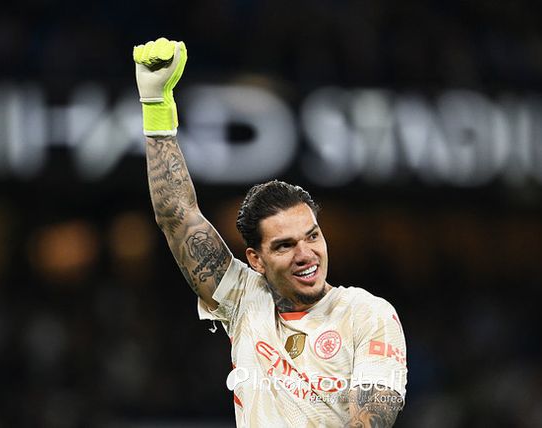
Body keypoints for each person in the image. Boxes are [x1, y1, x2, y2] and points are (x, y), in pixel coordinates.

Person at [133, 37, 407, 427]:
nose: (305, 254)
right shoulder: (244, 299)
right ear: (256, 259)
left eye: (312, 236)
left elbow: (372, 419)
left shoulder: (366, 314)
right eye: (284, 245)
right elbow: (179, 219)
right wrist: (156, 108)